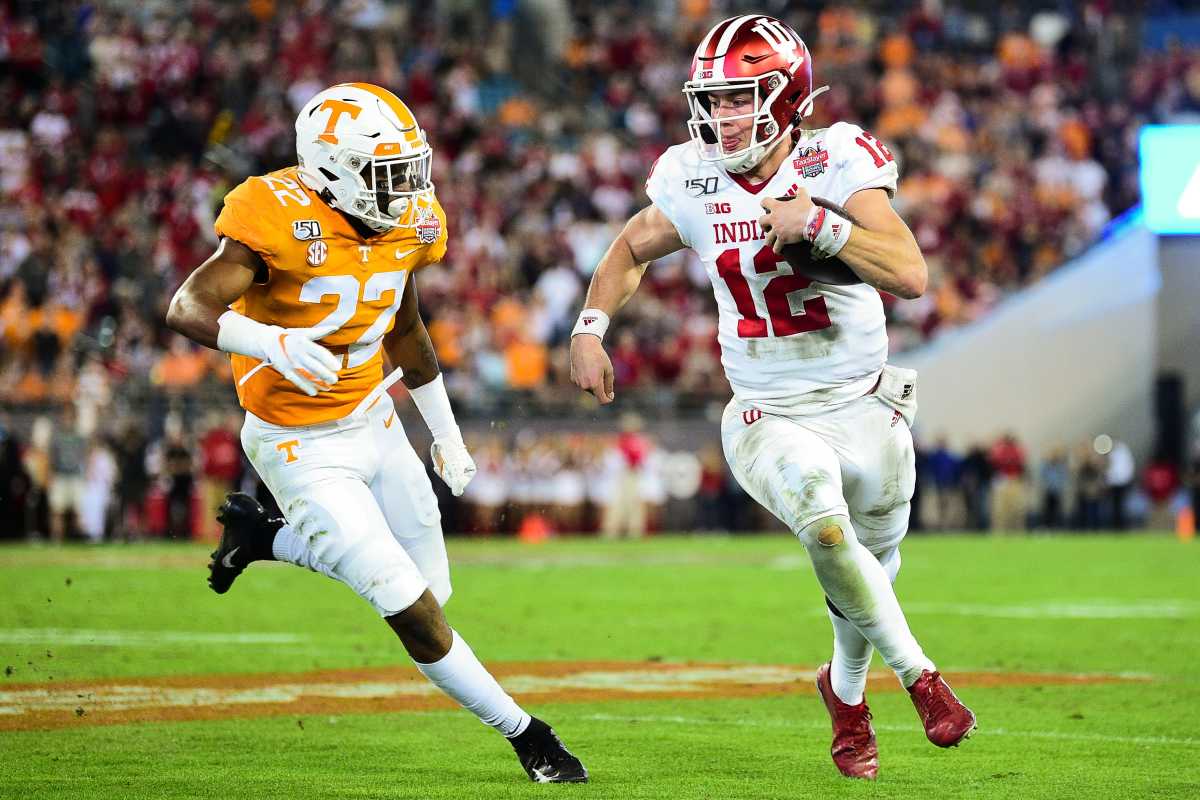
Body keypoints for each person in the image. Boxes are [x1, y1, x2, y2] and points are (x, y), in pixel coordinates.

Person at [568, 15, 974, 781]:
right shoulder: (689, 175)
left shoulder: (836, 157)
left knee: (870, 566)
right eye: (712, 100)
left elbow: (910, 274)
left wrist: (819, 224)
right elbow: (632, 245)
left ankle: (844, 694)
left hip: (867, 400)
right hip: (767, 409)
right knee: (826, 531)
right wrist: (590, 326)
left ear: (785, 97)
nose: (721, 117)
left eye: (739, 98)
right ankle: (924, 680)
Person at [166, 82, 585, 784]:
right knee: (411, 609)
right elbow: (188, 305)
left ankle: (263, 539)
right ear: (331, 167)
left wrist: (445, 433)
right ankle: (530, 737)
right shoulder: (274, 211)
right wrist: (266, 341)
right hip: (300, 445)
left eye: (409, 170)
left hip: (376, 419)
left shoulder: (411, 222)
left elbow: (407, 329)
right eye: (385, 174)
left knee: (433, 592)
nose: (406, 189)